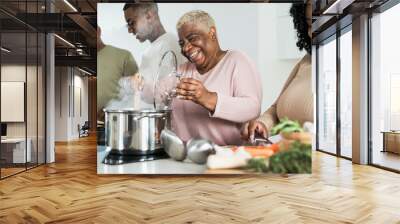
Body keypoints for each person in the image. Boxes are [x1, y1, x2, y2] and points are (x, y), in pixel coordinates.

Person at [168, 10, 262, 146]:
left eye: (192, 38)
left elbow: (253, 108)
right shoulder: (183, 70)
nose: (186, 48)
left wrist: (208, 98)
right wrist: (138, 83)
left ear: (212, 33)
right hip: (187, 157)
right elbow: (156, 92)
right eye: (182, 43)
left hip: (229, 157)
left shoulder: (237, 60)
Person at [241, 1, 313, 141]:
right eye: (309, 24)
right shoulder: (307, 61)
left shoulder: (357, 66)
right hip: (290, 156)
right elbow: (276, 110)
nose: (311, 32)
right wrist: (263, 124)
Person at [123, 3, 186, 87]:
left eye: (131, 22)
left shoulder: (172, 44)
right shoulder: (149, 51)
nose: (129, 30)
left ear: (149, 16)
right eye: (128, 25)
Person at [97, 26, 139, 122]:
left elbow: (137, 91)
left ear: (98, 31)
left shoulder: (123, 56)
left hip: (114, 122)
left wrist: (113, 109)